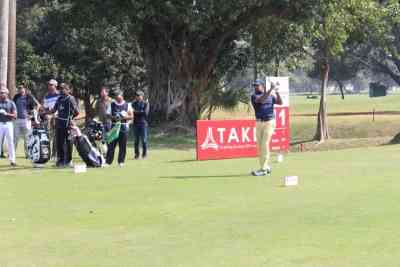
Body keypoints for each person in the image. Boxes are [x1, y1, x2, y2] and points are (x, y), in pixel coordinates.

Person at [251, 79, 282, 176]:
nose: (256, 87)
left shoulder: (271, 96)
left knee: (265, 144)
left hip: (269, 122)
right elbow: (261, 100)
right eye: (255, 86)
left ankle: (263, 169)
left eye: (257, 85)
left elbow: (280, 102)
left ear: (262, 86)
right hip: (259, 122)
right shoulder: (254, 96)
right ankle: (266, 167)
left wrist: (276, 91)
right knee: (260, 147)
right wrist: (271, 89)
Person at [46, 83, 79, 168]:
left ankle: (68, 161)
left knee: (68, 143)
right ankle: (60, 161)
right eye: (61, 89)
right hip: (59, 124)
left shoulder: (71, 99)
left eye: (64, 89)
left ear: (68, 90)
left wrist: (71, 118)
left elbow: (77, 112)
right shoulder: (59, 98)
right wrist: (45, 112)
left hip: (68, 124)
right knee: (59, 143)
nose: (62, 90)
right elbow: (54, 110)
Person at [106, 90, 133, 167]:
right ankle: (108, 162)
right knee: (111, 145)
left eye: (118, 97)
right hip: (114, 126)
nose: (117, 98)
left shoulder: (127, 104)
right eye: (116, 97)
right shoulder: (112, 104)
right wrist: (114, 117)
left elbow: (131, 116)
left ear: (122, 96)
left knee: (122, 145)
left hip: (123, 126)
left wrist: (124, 117)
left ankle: (121, 162)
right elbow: (107, 115)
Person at [13, 84, 40, 157]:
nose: (20, 89)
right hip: (17, 120)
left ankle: (28, 154)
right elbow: (13, 106)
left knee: (27, 137)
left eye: (21, 88)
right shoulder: (16, 96)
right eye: (19, 88)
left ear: (25, 89)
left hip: (26, 120)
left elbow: (37, 105)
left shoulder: (29, 96)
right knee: (15, 137)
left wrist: (32, 115)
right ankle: (12, 154)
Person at [42, 79, 60, 161]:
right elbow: (46, 108)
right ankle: (47, 154)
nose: (49, 86)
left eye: (51, 85)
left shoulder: (59, 95)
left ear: (55, 85)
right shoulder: (46, 96)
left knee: (56, 137)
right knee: (48, 137)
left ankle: (54, 155)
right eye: (49, 84)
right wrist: (45, 114)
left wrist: (53, 114)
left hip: (57, 117)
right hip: (49, 118)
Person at [0, 86, 17, 166]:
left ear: (7, 94)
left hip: (8, 124)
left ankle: (12, 160)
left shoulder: (11, 103)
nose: (1, 94)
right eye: (0, 93)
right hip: (0, 124)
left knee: (10, 142)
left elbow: (15, 115)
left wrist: (7, 114)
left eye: (3, 93)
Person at [131, 90, 149, 159]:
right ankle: (137, 155)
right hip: (135, 123)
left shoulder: (145, 103)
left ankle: (144, 155)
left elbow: (145, 113)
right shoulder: (133, 103)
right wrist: (139, 112)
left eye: (139, 95)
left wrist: (135, 112)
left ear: (142, 96)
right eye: (136, 96)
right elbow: (131, 112)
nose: (137, 97)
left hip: (143, 124)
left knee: (144, 140)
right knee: (136, 140)